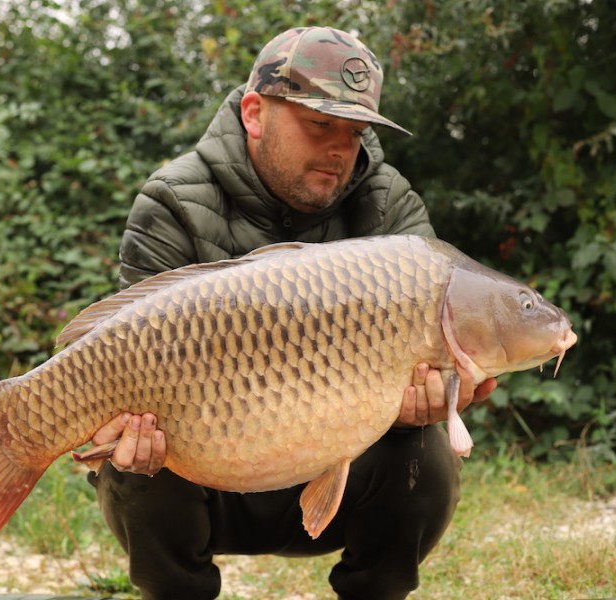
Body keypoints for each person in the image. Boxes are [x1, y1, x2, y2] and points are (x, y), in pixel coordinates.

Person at [85, 26, 496, 599]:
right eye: (320, 124)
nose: (338, 148)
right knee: (135, 456)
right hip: (209, 471)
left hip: (342, 469)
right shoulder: (175, 200)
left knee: (426, 450)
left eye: (354, 133)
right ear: (255, 112)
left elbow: (441, 346)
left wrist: (436, 397)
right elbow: (121, 349)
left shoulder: (389, 204)